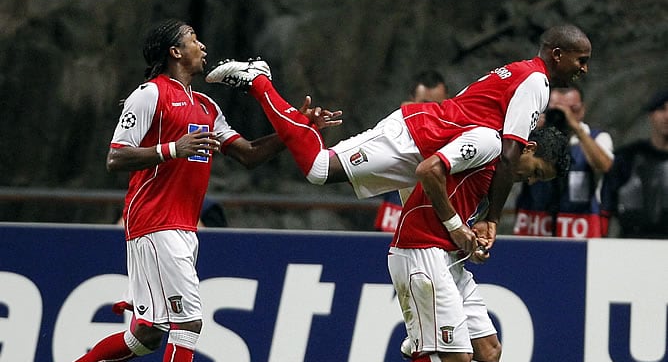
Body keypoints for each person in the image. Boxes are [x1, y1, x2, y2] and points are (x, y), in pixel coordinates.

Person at [29, 18, 340, 362]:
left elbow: (248, 154)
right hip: (155, 222)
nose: (203, 45)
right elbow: (116, 157)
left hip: (183, 227)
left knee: (148, 334)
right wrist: (172, 149)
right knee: (188, 322)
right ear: (175, 51)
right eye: (193, 39)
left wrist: (299, 131)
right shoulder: (150, 93)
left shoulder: (207, 107)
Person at [206, 24, 591, 254]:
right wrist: (492, 220)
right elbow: (508, 157)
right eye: (580, 60)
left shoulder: (522, 73)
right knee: (319, 169)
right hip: (415, 136)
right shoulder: (535, 82)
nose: (584, 69)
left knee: (427, 230)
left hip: (432, 144)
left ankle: (426, 331)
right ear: (557, 55)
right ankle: (259, 80)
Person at [337, 126, 570, 362]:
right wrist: (457, 228)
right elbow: (427, 170)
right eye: (535, 171)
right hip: (420, 250)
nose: (530, 180)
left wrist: (472, 242)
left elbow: (459, 210)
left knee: (488, 348)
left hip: (448, 259)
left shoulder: (494, 177)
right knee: (457, 358)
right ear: (527, 147)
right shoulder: (486, 145)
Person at [513, 84, 614, 237]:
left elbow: (605, 166)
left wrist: (577, 129)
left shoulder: (594, 138)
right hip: (535, 225)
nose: (564, 115)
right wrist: (530, 129)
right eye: (557, 110)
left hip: (579, 228)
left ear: (582, 109)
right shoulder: (534, 138)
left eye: (572, 110)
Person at [374, 69, 449, 233]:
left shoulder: (454, 134)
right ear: (411, 101)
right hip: (397, 204)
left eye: (435, 106)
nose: (429, 112)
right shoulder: (393, 128)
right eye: (423, 104)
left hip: (437, 212)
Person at [600, 89, 668, 238]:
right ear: (651, 115)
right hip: (631, 245)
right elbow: (606, 207)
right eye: (661, 109)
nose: (667, 116)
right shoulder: (627, 157)